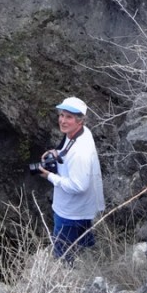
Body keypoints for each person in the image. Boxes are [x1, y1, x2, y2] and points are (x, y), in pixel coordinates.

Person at [37, 96, 104, 260]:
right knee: (84, 249)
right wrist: (56, 153)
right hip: (82, 209)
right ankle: (88, 269)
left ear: (80, 120)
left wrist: (50, 176)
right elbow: (68, 151)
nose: (62, 120)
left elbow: (78, 186)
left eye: (69, 117)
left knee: (63, 256)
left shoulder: (80, 152)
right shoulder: (80, 133)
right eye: (61, 115)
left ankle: (68, 280)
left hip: (70, 213)